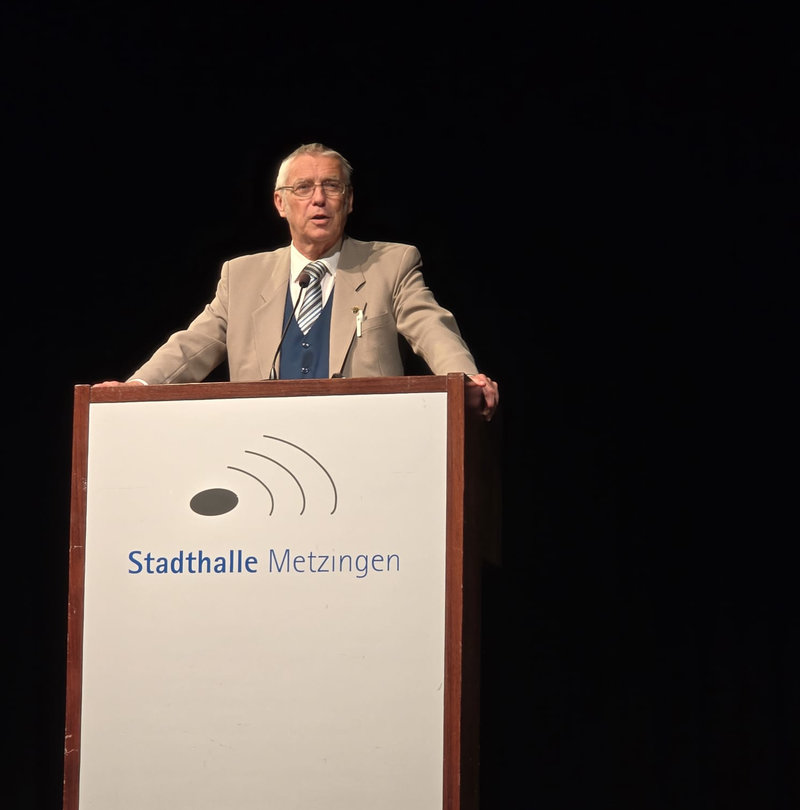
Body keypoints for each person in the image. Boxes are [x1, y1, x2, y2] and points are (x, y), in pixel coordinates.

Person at [97, 142, 499, 420]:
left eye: (331, 186)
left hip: (366, 440)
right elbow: (192, 345)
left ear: (349, 200)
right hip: (263, 444)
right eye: (303, 188)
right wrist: (138, 386)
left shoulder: (390, 264)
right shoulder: (242, 276)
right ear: (281, 203)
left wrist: (464, 379)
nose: (318, 199)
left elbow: (431, 328)